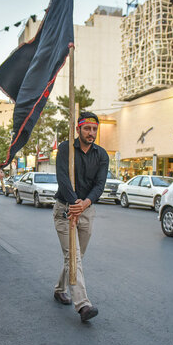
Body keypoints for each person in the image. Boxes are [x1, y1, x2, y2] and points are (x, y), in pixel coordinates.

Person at [53, 111, 109, 323]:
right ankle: (83, 304)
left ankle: (60, 289)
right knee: (73, 257)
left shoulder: (102, 155)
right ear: (78, 129)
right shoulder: (66, 149)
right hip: (64, 210)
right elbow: (63, 178)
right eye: (87, 128)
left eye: (94, 129)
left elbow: (100, 185)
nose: (91, 133)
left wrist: (84, 204)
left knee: (77, 256)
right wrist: (74, 204)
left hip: (86, 210)